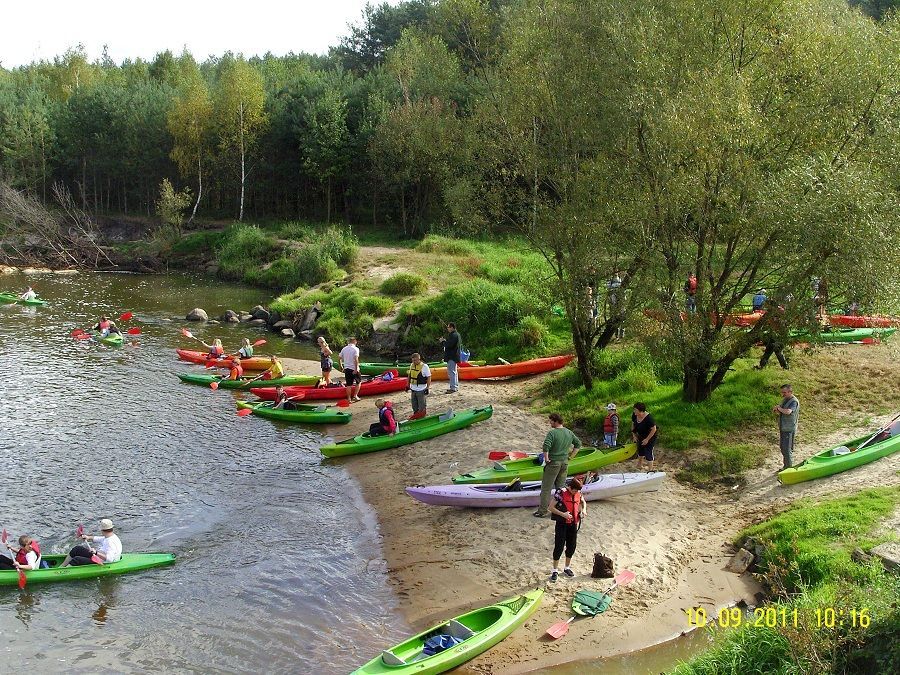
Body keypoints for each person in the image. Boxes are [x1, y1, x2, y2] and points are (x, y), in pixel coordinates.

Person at [534, 413, 582, 518]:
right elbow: (578, 444)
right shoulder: (569, 432)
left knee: (546, 488)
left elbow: (546, 446)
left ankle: (542, 511)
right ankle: (561, 509)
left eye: (551, 421)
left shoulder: (552, 433)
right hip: (564, 463)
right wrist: (571, 456)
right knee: (560, 488)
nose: (550, 423)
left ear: (555, 421)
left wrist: (546, 459)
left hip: (553, 463)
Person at [547, 477, 586, 582]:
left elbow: (583, 502)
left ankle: (566, 568)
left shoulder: (578, 493)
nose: (576, 492)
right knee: (559, 546)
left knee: (571, 546)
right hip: (562, 524)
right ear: (570, 487)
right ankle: (554, 570)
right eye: (575, 490)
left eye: (578, 491)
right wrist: (563, 514)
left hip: (573, 524)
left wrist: (583, 511)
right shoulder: (560, 493)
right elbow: (550, 507)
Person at [773, 384, 799, 470]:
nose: (782, 394)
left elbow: (788, 412)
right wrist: (777, 409)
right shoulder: (785, 400)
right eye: (782, 392)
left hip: (789, 428)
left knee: (787, 449)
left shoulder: (794, 401)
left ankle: (788, 468)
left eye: (784, 392)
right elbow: (782, 410)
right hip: (783, 427)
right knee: (783, 447)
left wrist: (779, 409)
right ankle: (786, 466)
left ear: (790, 392)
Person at [631, 402, 658, 471]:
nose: (634, 411)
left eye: (635, 410)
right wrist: (634, 435)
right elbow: (633, 425)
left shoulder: (649, 418)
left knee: (648, 452)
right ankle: (639, 465)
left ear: (641, 411)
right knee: (640, 450)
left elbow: (654, 429)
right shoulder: (634, 415)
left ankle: (650, 470)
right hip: (641, 435)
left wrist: (647, 439)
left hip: (650, 436)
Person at [406, 353, 432, 420]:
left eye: (415, 360)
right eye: (413, 360)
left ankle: (422, 417)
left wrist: (427, 388)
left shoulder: (424, 366)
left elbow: (429, 377)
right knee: (414, 405)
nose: (414, 362)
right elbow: (409, 376)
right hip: (413, 389)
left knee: (421, 406)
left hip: (421, 389)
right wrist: (407, 385)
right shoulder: (412, 365)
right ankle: (416, 415)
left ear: (419, 359)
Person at [440, 323, 462, 394]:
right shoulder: (457, 335)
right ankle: (455, 386)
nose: (447, 328)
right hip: (454, 355)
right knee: (454, 372)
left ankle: (453, 388)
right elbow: (451, 343)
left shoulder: (454, 335)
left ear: (452, 327)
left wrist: (443, 341)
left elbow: (449, 345)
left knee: (451, 372)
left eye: (448, 327)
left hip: (452, 356)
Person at [339, 337, 362, 403]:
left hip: (347, 368)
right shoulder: (356, 349)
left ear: (348, 342)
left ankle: (349, 399)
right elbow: (356, 359)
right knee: (359, 382)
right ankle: (355, 396)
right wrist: (356, 368)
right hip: (353, 368)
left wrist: (341, 365)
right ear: (355, 342)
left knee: (348, 384)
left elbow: (339, 358)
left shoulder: (344, 349)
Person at [606, 273, 625, 339]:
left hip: (621, 302)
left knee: (622, 317)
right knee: (614, 318)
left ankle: (622, 334)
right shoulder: (610, 281)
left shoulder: (621, 280)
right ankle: (616, 334)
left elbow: (624, 290)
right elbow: (608, 290)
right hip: (613, 302)